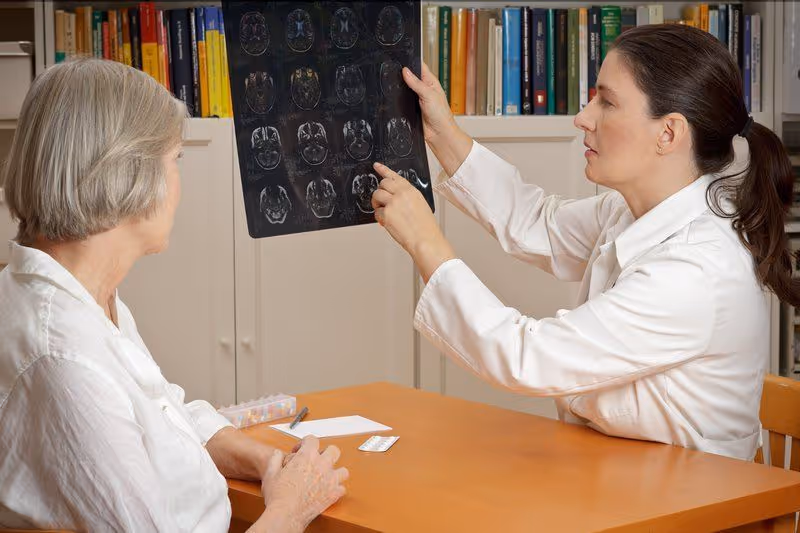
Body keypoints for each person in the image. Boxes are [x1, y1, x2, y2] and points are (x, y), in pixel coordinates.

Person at [370, 24, 797, 461]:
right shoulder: (639, 208)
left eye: (607, 102)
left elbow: (527, 356)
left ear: (668, 133)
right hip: (618, 470)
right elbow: (539, 223)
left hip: (688, 506)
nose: (583, 117)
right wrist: (442, 133)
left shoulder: (696, 271)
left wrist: (425, 243)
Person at [0, 58, 347, 532]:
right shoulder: (65, 358)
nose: (179, 182)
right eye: (175, 159)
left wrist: (267, 462)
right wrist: (290, 507)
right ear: (130, 172)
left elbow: (163, 416)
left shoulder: (80, 295)